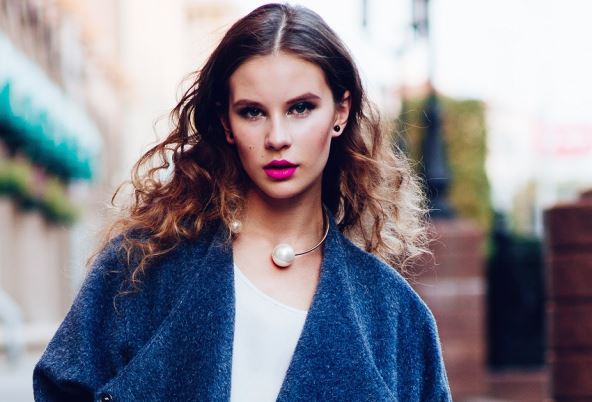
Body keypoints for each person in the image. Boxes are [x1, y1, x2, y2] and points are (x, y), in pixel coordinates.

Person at [33, 3, 451, 401]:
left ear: (340, 112)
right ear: (226, 123)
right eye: (253, 112)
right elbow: (60, 385)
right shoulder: (144, 267)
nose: (277, 137)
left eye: (301, 108)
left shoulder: (394, 314)